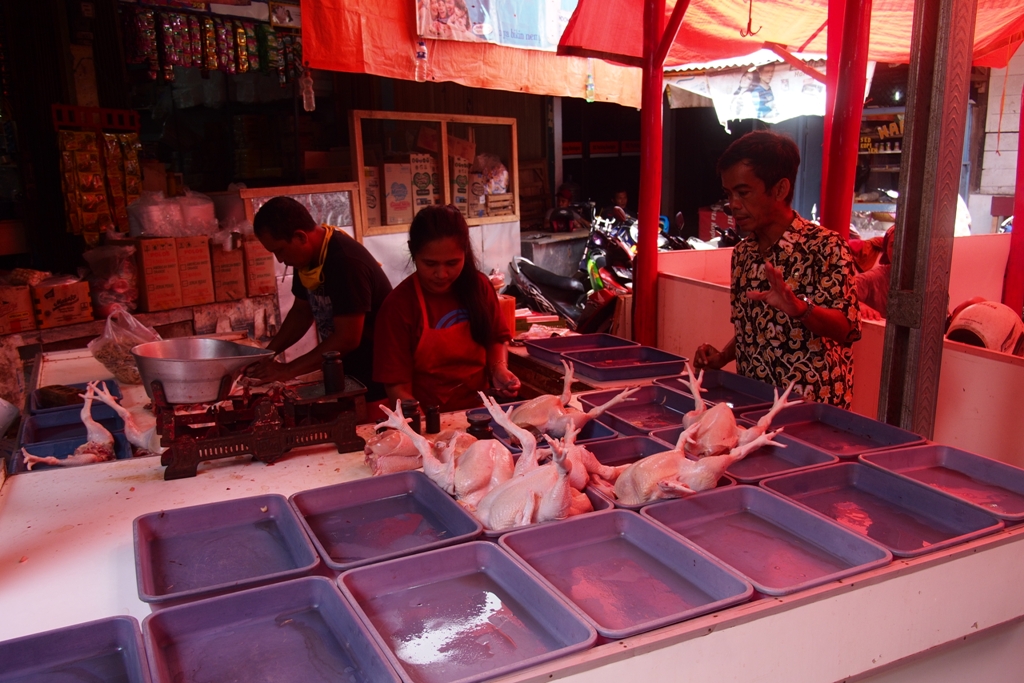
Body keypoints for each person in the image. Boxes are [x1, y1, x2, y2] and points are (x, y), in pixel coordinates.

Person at [694, 131, 862, 408]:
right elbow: (753, 331)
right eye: (729, 193)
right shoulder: (743, 253)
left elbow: (847, 328)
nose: (733, 205)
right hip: (752, 404)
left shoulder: (826, 246)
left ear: (780, 190)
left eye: (743, 192)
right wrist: (722, 357)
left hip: (811, 409)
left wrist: (799, 308)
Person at [373, 205, 521, 411]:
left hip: (482, 413)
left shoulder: (479, 286)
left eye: (452, 263)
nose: (441, 274)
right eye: (430, 263)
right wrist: (424, 424)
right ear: (412, 250)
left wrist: (499, 370)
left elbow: (495, 338)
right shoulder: (398, 306)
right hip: (425, 418)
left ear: (465, 252)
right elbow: (397, 388)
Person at [247, 197, 392, 400]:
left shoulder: (345, 263)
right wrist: (266, 355)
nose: (280, 259)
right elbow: (301, 313)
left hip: (377, 377)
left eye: (279, 250)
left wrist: (286, 371)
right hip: (345, 372)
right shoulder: (307, 259)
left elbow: (347, 339)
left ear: (300, 237)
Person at [854, 226, 894, 320]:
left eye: (907, 244)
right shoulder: (874, 277)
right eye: (893, 245)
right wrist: (858, 305)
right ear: (886, 250)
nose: (900, 250)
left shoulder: (930, 281)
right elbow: (840, 296)